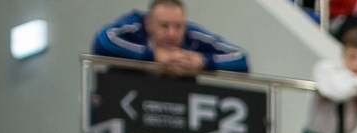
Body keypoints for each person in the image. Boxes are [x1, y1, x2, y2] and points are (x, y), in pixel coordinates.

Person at [93, 2, 249, 74]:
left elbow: (241, 58)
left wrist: (203, 61)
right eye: (164, 26)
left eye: (178, 26)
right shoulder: (134, 27)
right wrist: (153, 55)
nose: (172, 34)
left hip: (173, 121)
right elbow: (103, 41)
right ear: (149, 24)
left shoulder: (193, 36)